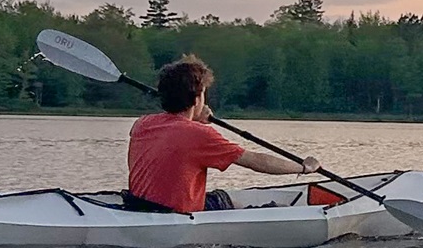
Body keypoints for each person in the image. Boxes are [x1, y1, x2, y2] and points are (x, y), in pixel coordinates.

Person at [122, 55, 313, 213]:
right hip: (176, 214)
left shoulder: (142, 124)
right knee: (276, 208)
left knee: (221, 198)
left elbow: (176, 133)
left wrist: (194, 117)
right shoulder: (199, 135)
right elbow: (256, 161)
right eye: (203, 93)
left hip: (140, 207)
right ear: (197, 98)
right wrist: (303, 168)